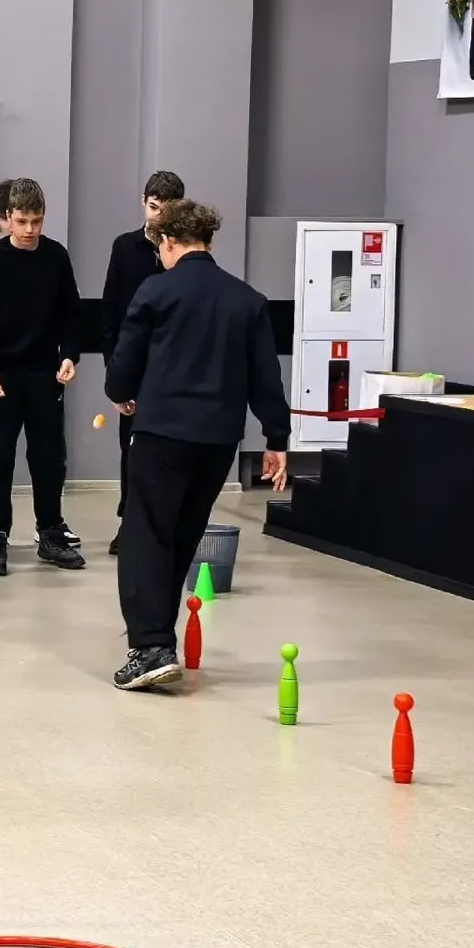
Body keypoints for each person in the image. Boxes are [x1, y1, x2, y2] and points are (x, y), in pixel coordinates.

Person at [105, 201, 289, 692]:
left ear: (168, 241)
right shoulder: (247, 300)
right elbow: (266, 378)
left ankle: (150, 648)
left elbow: (123, 367)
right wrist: (276, 439)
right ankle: (159, 642)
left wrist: (121, 392)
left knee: (147, 534)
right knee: (183, 535)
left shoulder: (156, 291)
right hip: (217, 441)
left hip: (162, 434)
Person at [0, 178, 83, 576]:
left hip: (44, 374)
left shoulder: (56, 257)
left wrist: (69, 355)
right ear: (8, 218)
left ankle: (50, 534)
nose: (30, 230)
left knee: (48, 458)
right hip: (1, 377)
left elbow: (71, 315)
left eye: (36, 221)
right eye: (21, 221)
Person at [100, 170, 186, 555]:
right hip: (133, 370)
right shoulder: (124, 247)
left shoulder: (185, 254)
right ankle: (130, 524)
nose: (158, 217)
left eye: (166, 210)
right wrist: (115, 373)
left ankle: (168, 526)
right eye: (153, 208)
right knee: (132, 451)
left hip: (173, 371)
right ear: (143, 203)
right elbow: (110, 313)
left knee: (172, 451)